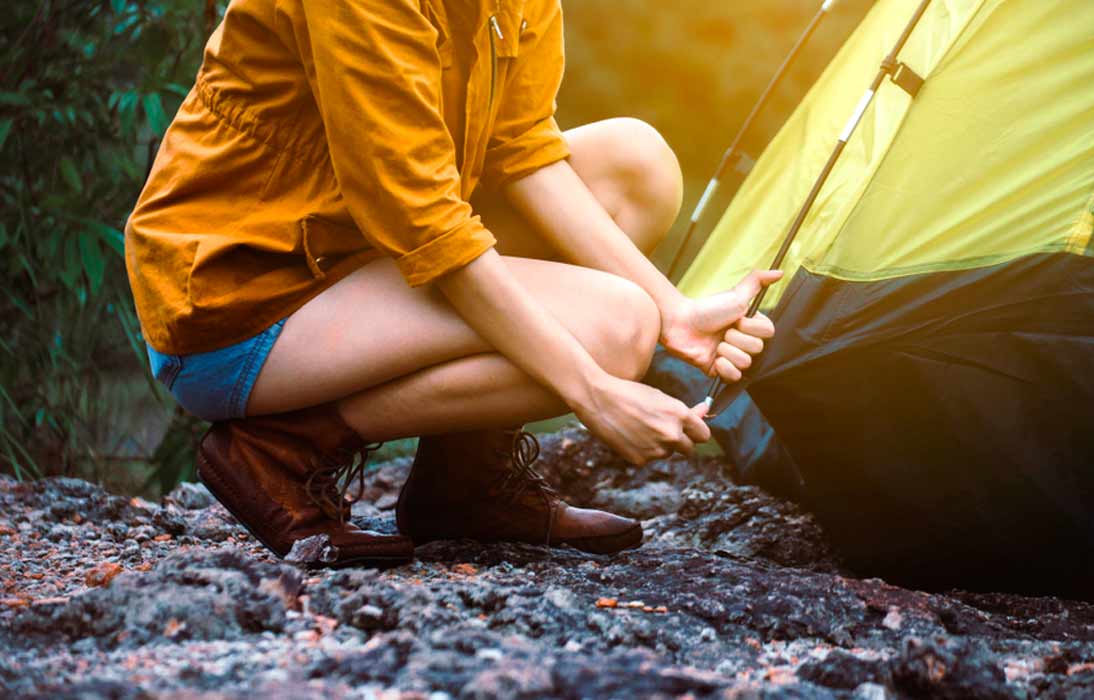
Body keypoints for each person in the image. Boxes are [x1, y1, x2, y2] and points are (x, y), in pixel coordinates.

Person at [124, 0, 781, 567]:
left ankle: (465, 485)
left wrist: (675, 312)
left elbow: (518, 146)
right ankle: (282, 448)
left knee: (634, 169)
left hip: (364, 254)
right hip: (242, 296)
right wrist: (593, 390)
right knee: (616, 332)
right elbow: (428, 226)